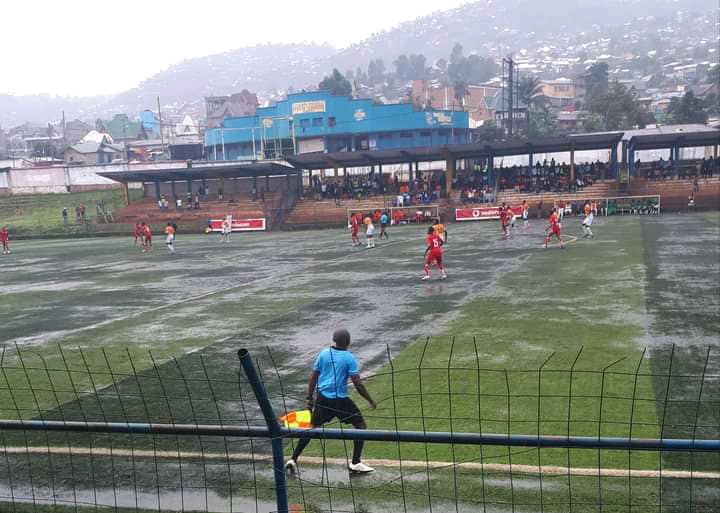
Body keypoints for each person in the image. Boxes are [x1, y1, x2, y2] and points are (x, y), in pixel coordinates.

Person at [285, 329, 376, 474]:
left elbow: (314, 377)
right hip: (340, 401)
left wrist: (309, 397)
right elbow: (357, 383)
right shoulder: (349, 358)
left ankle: (293, 459)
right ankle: (355, 462)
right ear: (348, 342)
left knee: (312, 428)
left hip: (322, 399)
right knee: (360, 425)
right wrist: (370, 400)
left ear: (334, 340)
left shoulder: (323, 354)